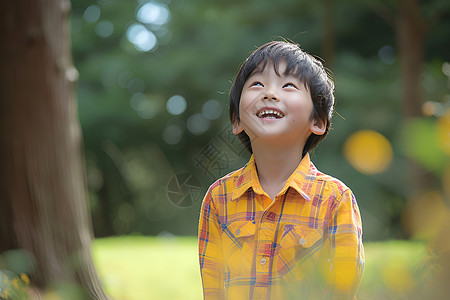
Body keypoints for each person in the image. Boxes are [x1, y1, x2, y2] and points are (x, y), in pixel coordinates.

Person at [198, 41, 364, 299]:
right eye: (256, 85)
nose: (269, 94)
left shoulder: (335, 200)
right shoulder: (218, 198)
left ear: (318, 121)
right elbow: (213, 290)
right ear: (237, 120)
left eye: (288, 86)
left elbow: (343, 290)